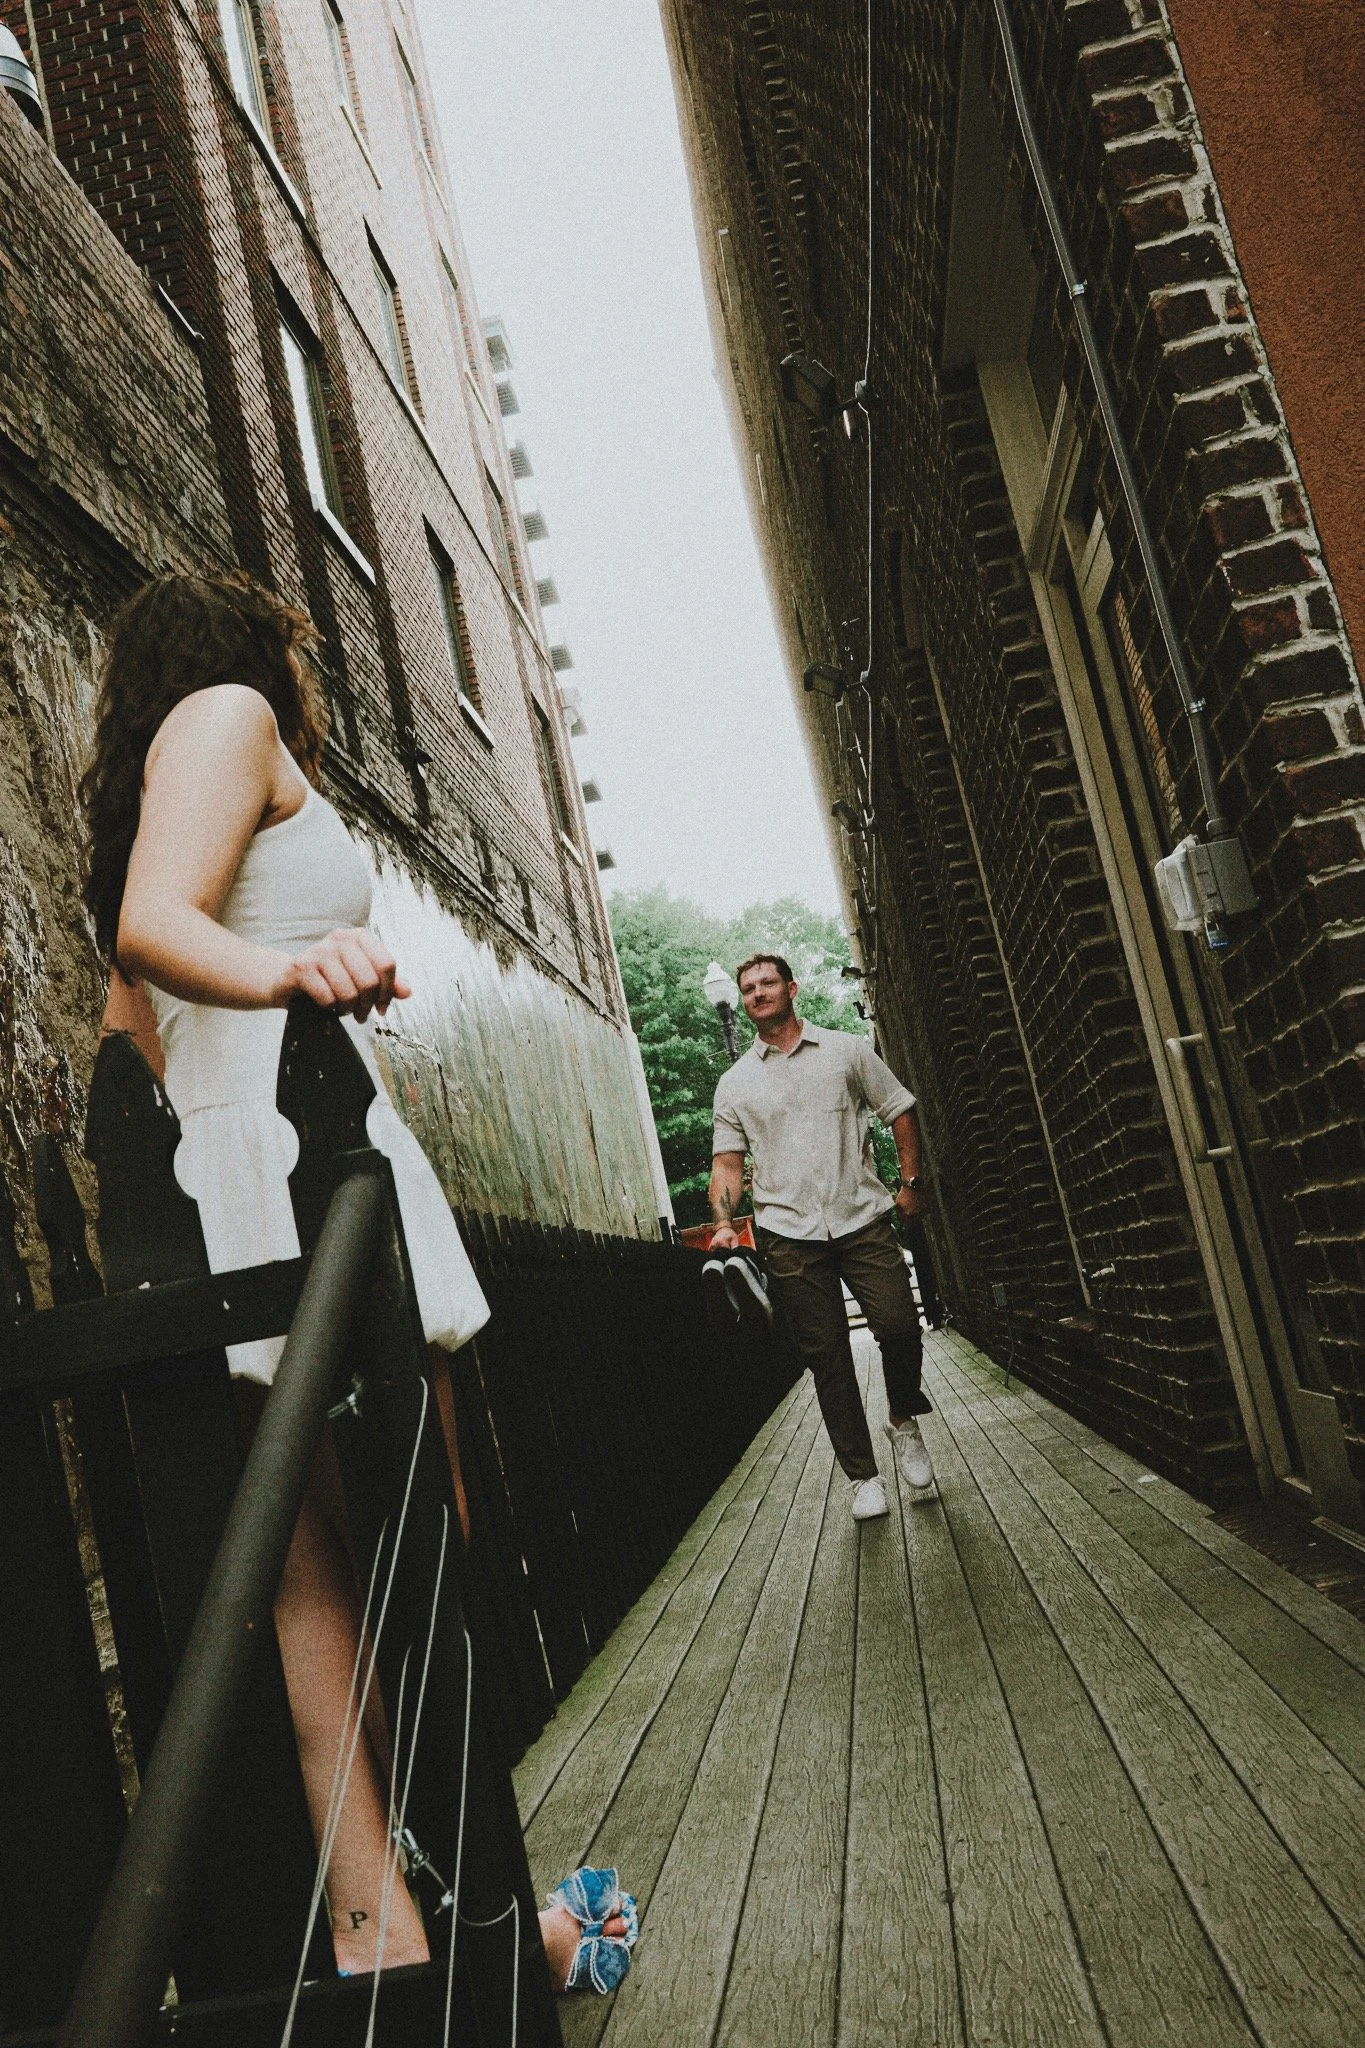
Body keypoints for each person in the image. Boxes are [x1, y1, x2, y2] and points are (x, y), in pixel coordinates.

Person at [81, 572, 633, 1993]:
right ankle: (502, 1933)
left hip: (243, 1180)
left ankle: (383, 1931)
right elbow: (156, 924)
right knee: (414, 1552)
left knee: (315, 1582)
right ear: (253, 653)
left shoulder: (157, 772)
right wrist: (295, 975)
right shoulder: (229, 713)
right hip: (310, 1169)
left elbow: (131, 1038)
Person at [708, 953, 934, 1521]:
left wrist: (911, 1182)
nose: (759, 993)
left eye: (768, 983)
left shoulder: (845, 1051)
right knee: (826, 1356)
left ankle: (903, 1418)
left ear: (791, 987)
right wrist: (723, 1225)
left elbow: (900, 1109)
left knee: (899, 1325)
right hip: (787, 1233)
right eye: (749, 988)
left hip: (860, 1216)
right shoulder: (735, 1084)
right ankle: (863, 1477)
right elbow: (728, 1165)